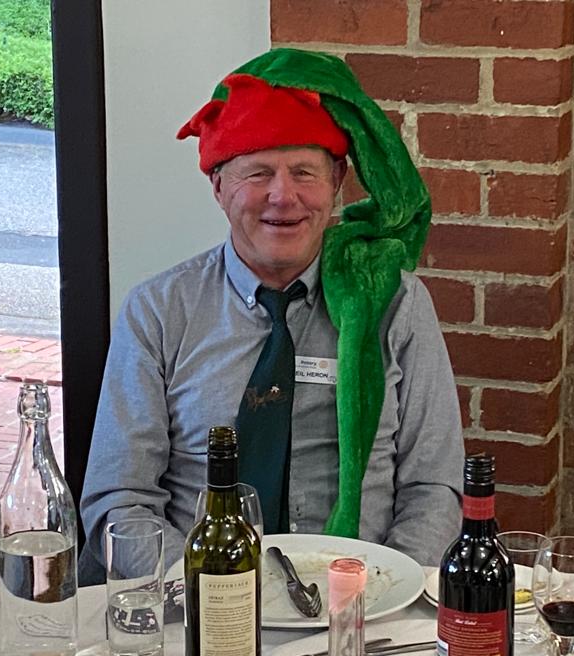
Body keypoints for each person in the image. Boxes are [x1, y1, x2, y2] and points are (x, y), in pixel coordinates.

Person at [78, 48, 464, 585]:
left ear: (337, 183)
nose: (283, 197)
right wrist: (212, 593)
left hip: (363, 597)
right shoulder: (159, 311)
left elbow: (434, 487)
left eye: (305, 172)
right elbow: (120, 501)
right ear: (218, 187)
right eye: (258, 173)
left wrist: (381, 590)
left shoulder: (396, 304)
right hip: (198, 597)